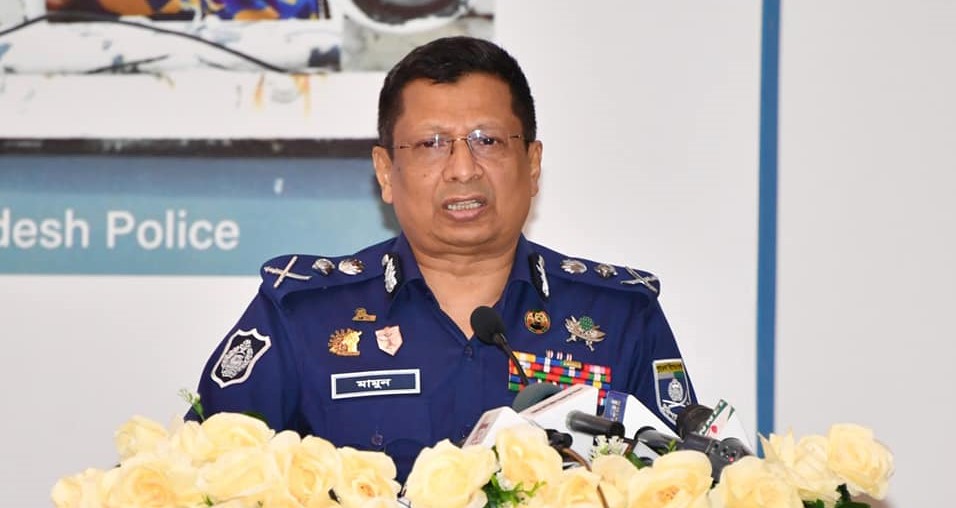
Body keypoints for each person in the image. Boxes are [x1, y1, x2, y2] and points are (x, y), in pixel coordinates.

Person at [189, 36, 696, 481]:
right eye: (431, 144)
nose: (462, 169)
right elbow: (201, 482)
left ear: (532, 164)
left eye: (487, 140)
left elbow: (686, 483)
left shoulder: (620, 317)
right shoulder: (302, 316)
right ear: (385, 172)